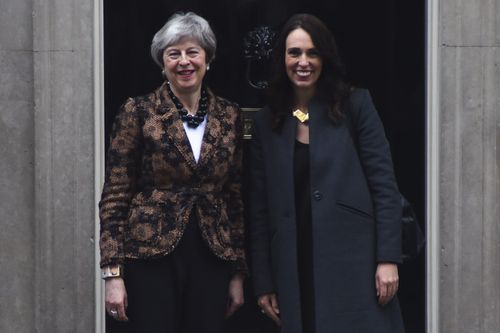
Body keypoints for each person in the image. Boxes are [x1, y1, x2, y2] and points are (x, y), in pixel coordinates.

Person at [249, 13, 405, 333]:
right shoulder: (268, 121)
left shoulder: (355, 105)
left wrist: (388, 258)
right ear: (282, 59)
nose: (303, 62)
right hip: (292, 264)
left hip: (354, 260)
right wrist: (263, 281)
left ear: (325, 57)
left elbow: (384, 186)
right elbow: (258, 210)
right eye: (294, 53)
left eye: (312, 52)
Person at [99, 12, 246, 333]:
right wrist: (113, 274)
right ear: (162, 62)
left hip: (212, 255)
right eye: (173, 53)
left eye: (193, 51)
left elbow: (234, 195)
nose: (184, 61)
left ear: (208, 58)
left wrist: (238, 272)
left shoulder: (229, 115)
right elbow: (116, 194)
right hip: (150, 256)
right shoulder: (137, 111)